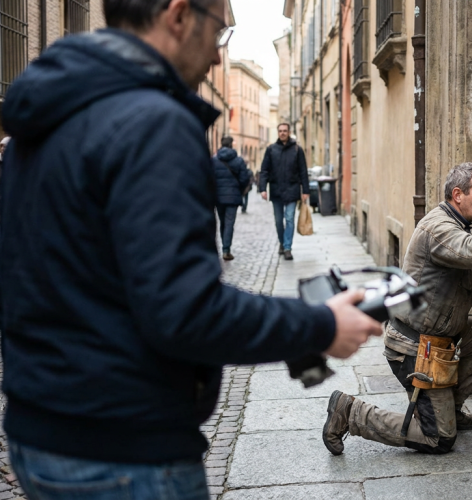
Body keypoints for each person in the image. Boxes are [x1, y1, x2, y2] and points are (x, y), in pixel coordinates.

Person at [0, 1, 382, 497]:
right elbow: (186, 312)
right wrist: (322, 326)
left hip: (40, 435)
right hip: (125, 450)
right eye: (219, 31)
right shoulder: (153, 120)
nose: (219, 60)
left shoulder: (49, 112)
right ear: (178, 15)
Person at [322, 162, 472, 455]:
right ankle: (350, 412)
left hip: (442, 339)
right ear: (458, 194)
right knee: (439, 438)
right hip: (415, 350)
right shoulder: (439, 229)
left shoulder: (456, 225)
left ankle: (449, 409)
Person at [259, 123, 310, 261]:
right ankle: (282, 241)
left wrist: (305, 190)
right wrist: (262, 188)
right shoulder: (271, 149)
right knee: (278, 221)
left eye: (285, 131)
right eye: (280, 131)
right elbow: (264, 170)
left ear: (289, 132)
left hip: (292, 190)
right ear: (277, 132)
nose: (282, 133)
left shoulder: (297, 149)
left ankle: (287, 248)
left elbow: (303, 171)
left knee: (289, 219)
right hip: (276, 191)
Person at [213, 135, 251, 260]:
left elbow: (208, 177)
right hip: (233, 196)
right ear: (231, 145)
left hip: (218, 196)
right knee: (229, 223)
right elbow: (245, 178)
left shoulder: (214, 160)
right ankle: (226, 249)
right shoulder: (238, 160)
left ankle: (224, 247)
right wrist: (239, 189)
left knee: (223, 221)